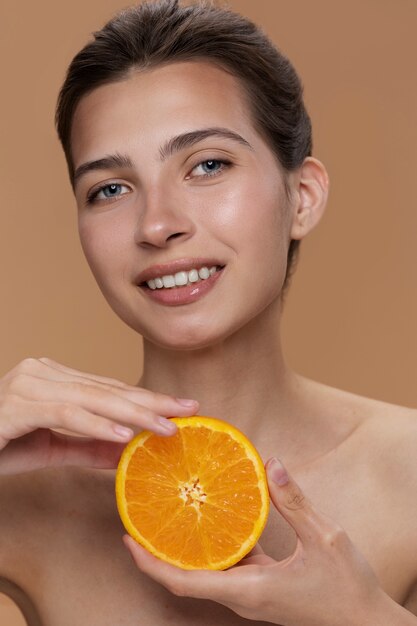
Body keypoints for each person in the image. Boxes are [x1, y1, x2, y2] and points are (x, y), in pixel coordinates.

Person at [1, 0, 416, 624]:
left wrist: (364, 617)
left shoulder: (409, 473)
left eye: (208, 165)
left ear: (300, 197)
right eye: (109, 189)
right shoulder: (24, 492)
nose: (158, 224)